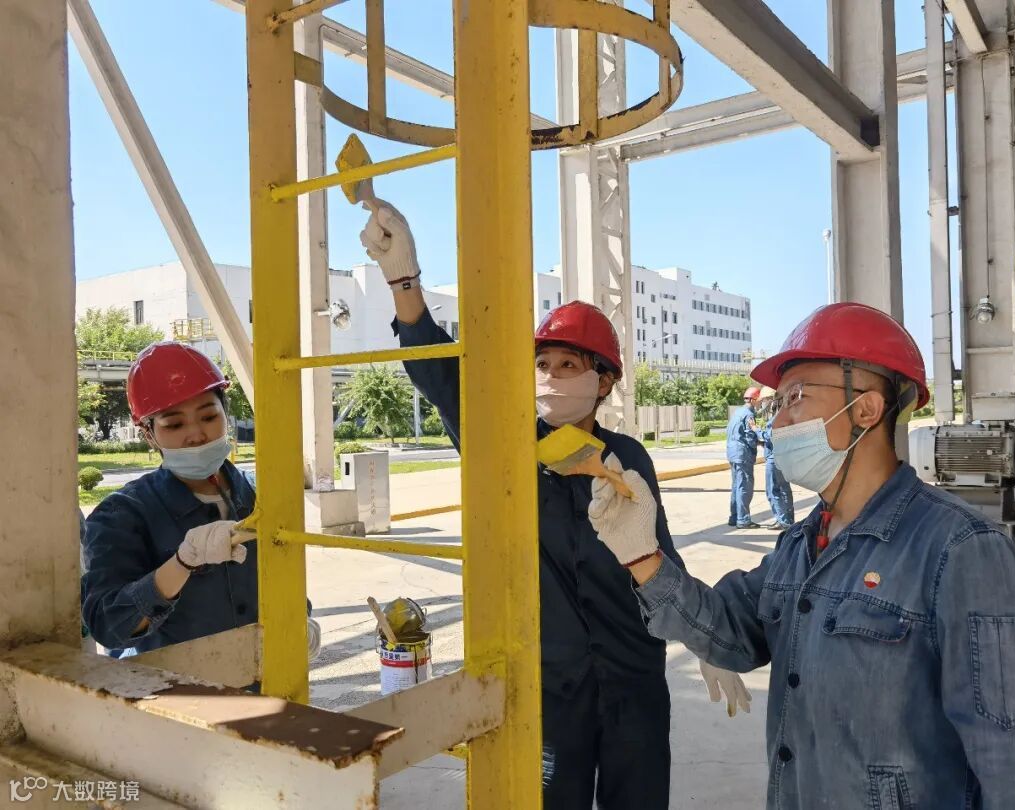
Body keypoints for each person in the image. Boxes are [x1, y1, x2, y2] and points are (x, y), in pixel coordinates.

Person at [588, 302, 1015, 809]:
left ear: (865, 409)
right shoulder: (801, 545)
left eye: (796, 397)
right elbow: (730, 634)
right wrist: (643, 556)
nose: (779, 421)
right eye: (777, 404)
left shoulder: (962, 552)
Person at [360, 199, 749, 809]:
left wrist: (704, 640)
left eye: (569, 364)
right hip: (550, 685)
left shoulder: (626, 457)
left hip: (633, 675)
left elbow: (659, 552)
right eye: (542, 363)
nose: (550, 375)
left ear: (604, 381)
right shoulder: (506, 445)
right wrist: (403, 281)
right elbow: (440, 377)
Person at [81, 343, 319, 660]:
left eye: (208, 416)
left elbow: (286, 575)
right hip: (174, 688)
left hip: (267, 681)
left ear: (225, 414)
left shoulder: (261, 494)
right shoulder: (122, 514)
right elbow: (108, 626)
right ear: (148, 434)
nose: (196, 434)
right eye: (174, 424)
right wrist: (181, 564)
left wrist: (298, 618)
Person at [726, 385, 762, 528]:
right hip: (743, 454)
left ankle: (734, 517)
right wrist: (761, 441)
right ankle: (743, 520)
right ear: (753, 400)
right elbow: (749, 436)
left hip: (732, 453)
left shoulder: (738, 412)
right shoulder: (749, 414)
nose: (760, 404)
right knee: (745, 486)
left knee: (736, 485)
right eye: (760, 401)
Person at [758, 387, 794, 531]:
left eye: (765, 400)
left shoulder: (776, 418)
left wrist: (756, 430)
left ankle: (782, 520)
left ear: (772, 400)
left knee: (773, 490)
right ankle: (788, 519)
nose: (763, 403)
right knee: (784, 489)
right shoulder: (784, 415)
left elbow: (770, 436)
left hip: (774, 458)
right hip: (782, 456)